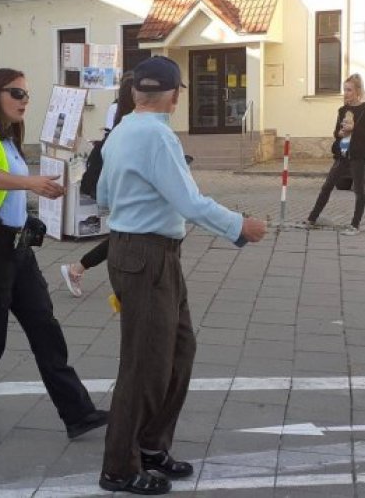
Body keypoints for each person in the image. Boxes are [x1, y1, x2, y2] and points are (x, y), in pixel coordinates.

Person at [96, 56, 267, 495]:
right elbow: (190, 202)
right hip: (146, 255)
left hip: (142, 251)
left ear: (137, 92)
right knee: (145, 365)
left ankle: (151, 446)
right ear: (174, 95)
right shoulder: (157, 135)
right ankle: (119, 466)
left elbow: (101, 195)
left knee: (178, 350)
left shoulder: (120, 132)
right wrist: (239, 227)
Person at [0, 68, 108, 447]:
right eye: (16, 92)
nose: (24, 100)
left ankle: (77, 413)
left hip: (17, 252)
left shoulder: (6, 136)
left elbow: (6, 191)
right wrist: (31, 183)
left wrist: (31, 205)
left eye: (27, 94)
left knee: (46, 331)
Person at [59, 75, 136, 296]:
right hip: (114, 184)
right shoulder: (125, 122)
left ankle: (77, 268)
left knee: (124, 235)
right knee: (125, 235)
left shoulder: (123, 116)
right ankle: (77, 268)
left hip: (114, 184)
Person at [302, 73, 365, 235]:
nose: (346, 93)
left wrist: (354, 128)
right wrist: (340, 133)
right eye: (344, 89)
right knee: (327, 186)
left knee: (358, 190)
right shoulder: (342, 110)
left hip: (358, 155)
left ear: (358, 90)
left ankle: (355, 225)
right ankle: (311, 219)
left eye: (349, 90)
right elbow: (336, 131)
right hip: (342, 154)